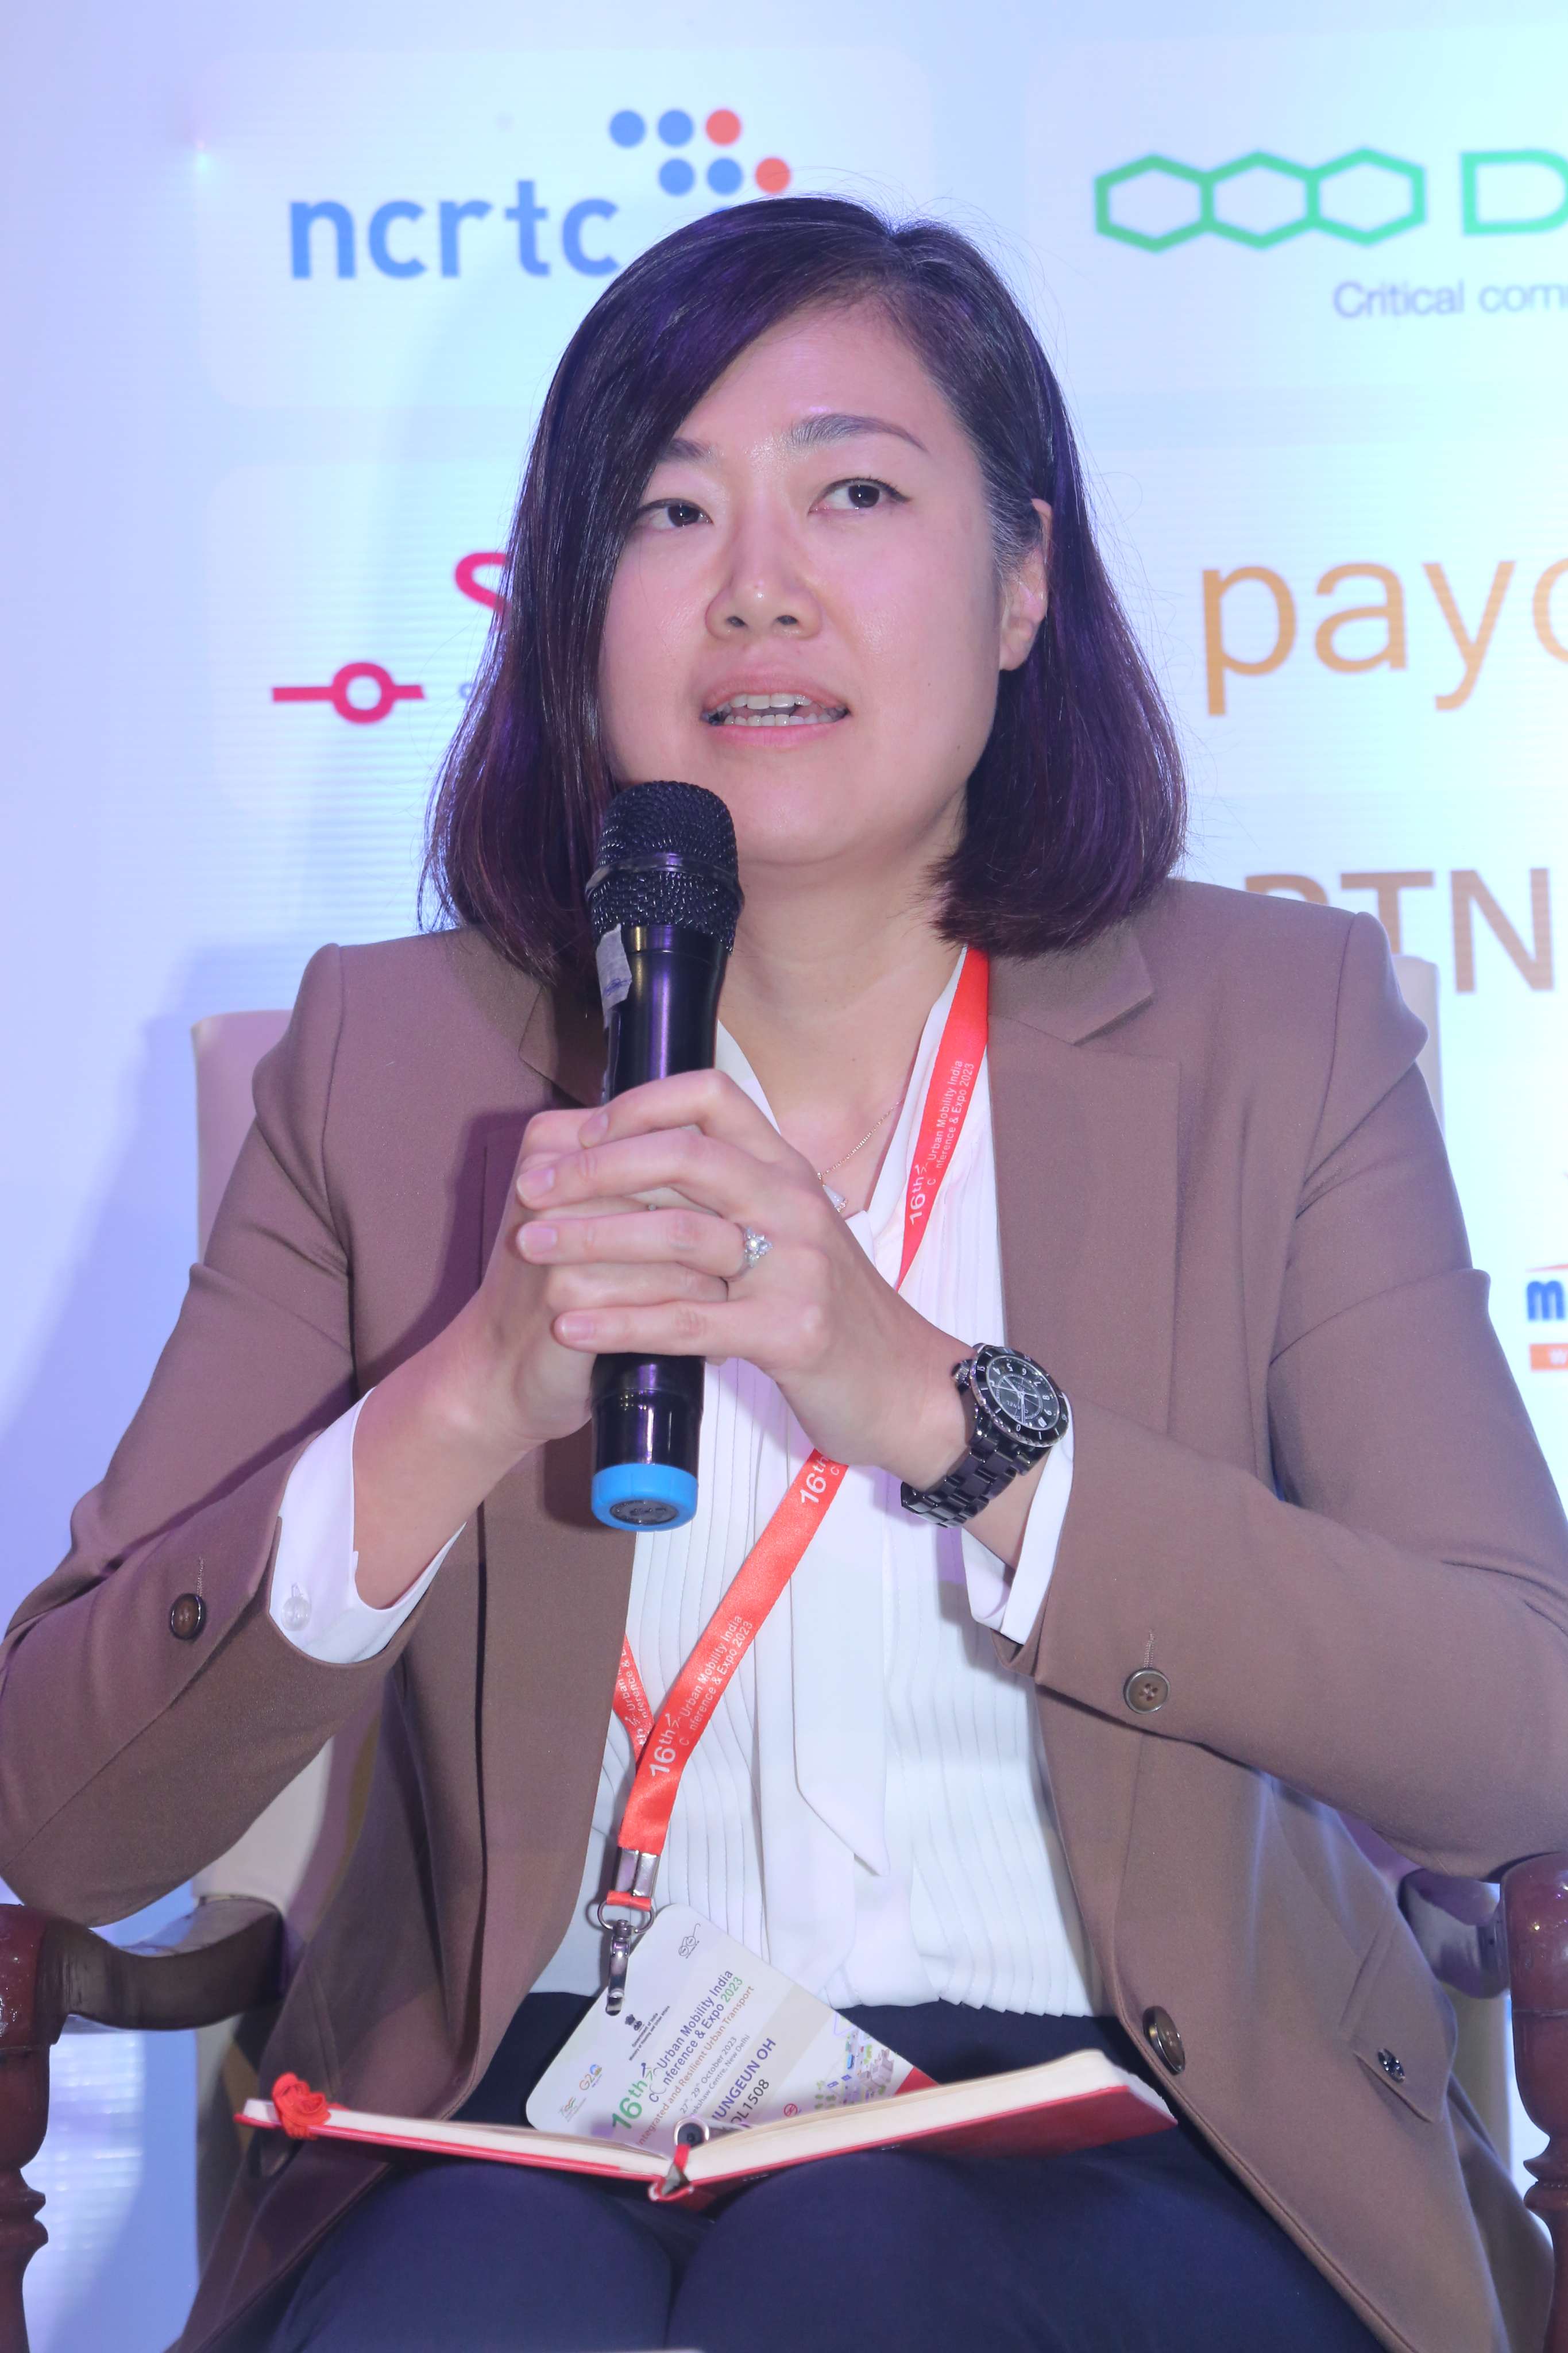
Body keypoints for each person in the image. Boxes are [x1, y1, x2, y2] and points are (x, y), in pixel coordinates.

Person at [2, 195, 1564, 2353]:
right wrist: (459, 1396)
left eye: (853, 492)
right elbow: (70, 1816)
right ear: (575, 612)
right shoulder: (390, 1056)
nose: (755, 583)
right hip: (533, 2121)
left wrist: (941, 1412)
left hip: (1134, 2125)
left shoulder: (1267, 1030)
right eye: (667, 510)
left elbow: (1514, 1727)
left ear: (1021, 580)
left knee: (855, 2271)